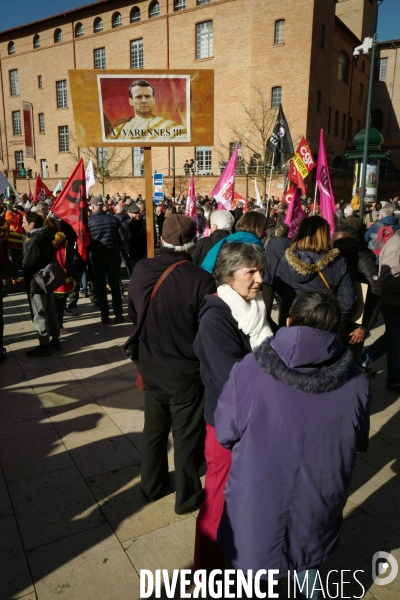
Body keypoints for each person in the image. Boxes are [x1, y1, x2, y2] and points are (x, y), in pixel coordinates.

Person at [215, 290, 370, 598]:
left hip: (255, 504)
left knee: (253, 580)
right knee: (308, 568)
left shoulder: (249, 369)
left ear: (288, 321)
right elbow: (359, 441)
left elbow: (225, 432)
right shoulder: (357, 381)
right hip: (318, 505)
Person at [128, 214, 216, 515]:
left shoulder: (141, 269)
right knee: (186, 434)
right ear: (193, 241)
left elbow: (133, 314)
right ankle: (187, 496)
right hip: (185, 372)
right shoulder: (201, 279)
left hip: (150, 364)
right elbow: (207, 331)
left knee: (153, 429)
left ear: (162, 238)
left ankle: (151, 486)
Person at [193, 242, 273, 572]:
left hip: (257, 420)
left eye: (261, 271)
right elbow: (231, 379)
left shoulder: (255, 309)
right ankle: (206, 569)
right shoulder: (216, 319)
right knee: (218, 499)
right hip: (226, 426)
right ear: (228, 276)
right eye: (251, 272)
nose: (259, 279)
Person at [274, 215, 356, 326]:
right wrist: (336, 324)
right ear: (324, 236)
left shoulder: (284, 260)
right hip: (324, 323)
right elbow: (347, 301)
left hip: (290, 321)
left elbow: (278, 293)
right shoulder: (337, 262)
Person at [332, 226, 381, 362]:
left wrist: (364, 327)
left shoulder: (363, 260)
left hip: (355, 326)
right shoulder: (341, 258)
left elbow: (376, 292)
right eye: (334, 242)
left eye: (340, 243)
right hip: (340, 319)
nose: (336, 246)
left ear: (353, 241)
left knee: (349, 363)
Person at [22, 211, 61, 357]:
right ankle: (55, 339)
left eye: (24, 222)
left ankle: (44, 344)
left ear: (32, 224)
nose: (22, 225)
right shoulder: (47, 236)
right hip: (47, 280)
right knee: (51, 310)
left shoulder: (35, 240)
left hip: (36, 282)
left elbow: (27, 264)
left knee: (40, 313)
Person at [107, 79, 187, 141]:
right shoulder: (119, 129)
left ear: (154, 100)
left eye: (147, 96)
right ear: (130, 101)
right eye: (139, 97)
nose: (144, 101)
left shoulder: (168, 125)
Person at [88, 196, 124, 324]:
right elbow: (123, 237)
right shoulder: (113, 219)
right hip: (113, 257)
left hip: (97, 258)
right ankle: (118, 314)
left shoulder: (89, 222)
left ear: (92, 207)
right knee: (115, 286)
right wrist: (117, 247)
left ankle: (105, 316)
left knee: (101, 287)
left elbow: (86, 242)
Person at [201, 212, 267, 274]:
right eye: (264, 230)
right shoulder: (252, 246)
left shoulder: (227, 239)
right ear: (258, 228)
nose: (265, 234)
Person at [378, 229, 400, 393]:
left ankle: (365, 358)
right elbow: (388, 279)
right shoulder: (396, 245)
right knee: (395, 343)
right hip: (393, 303)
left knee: (393, 338)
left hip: (395, 302)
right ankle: (394, 380)